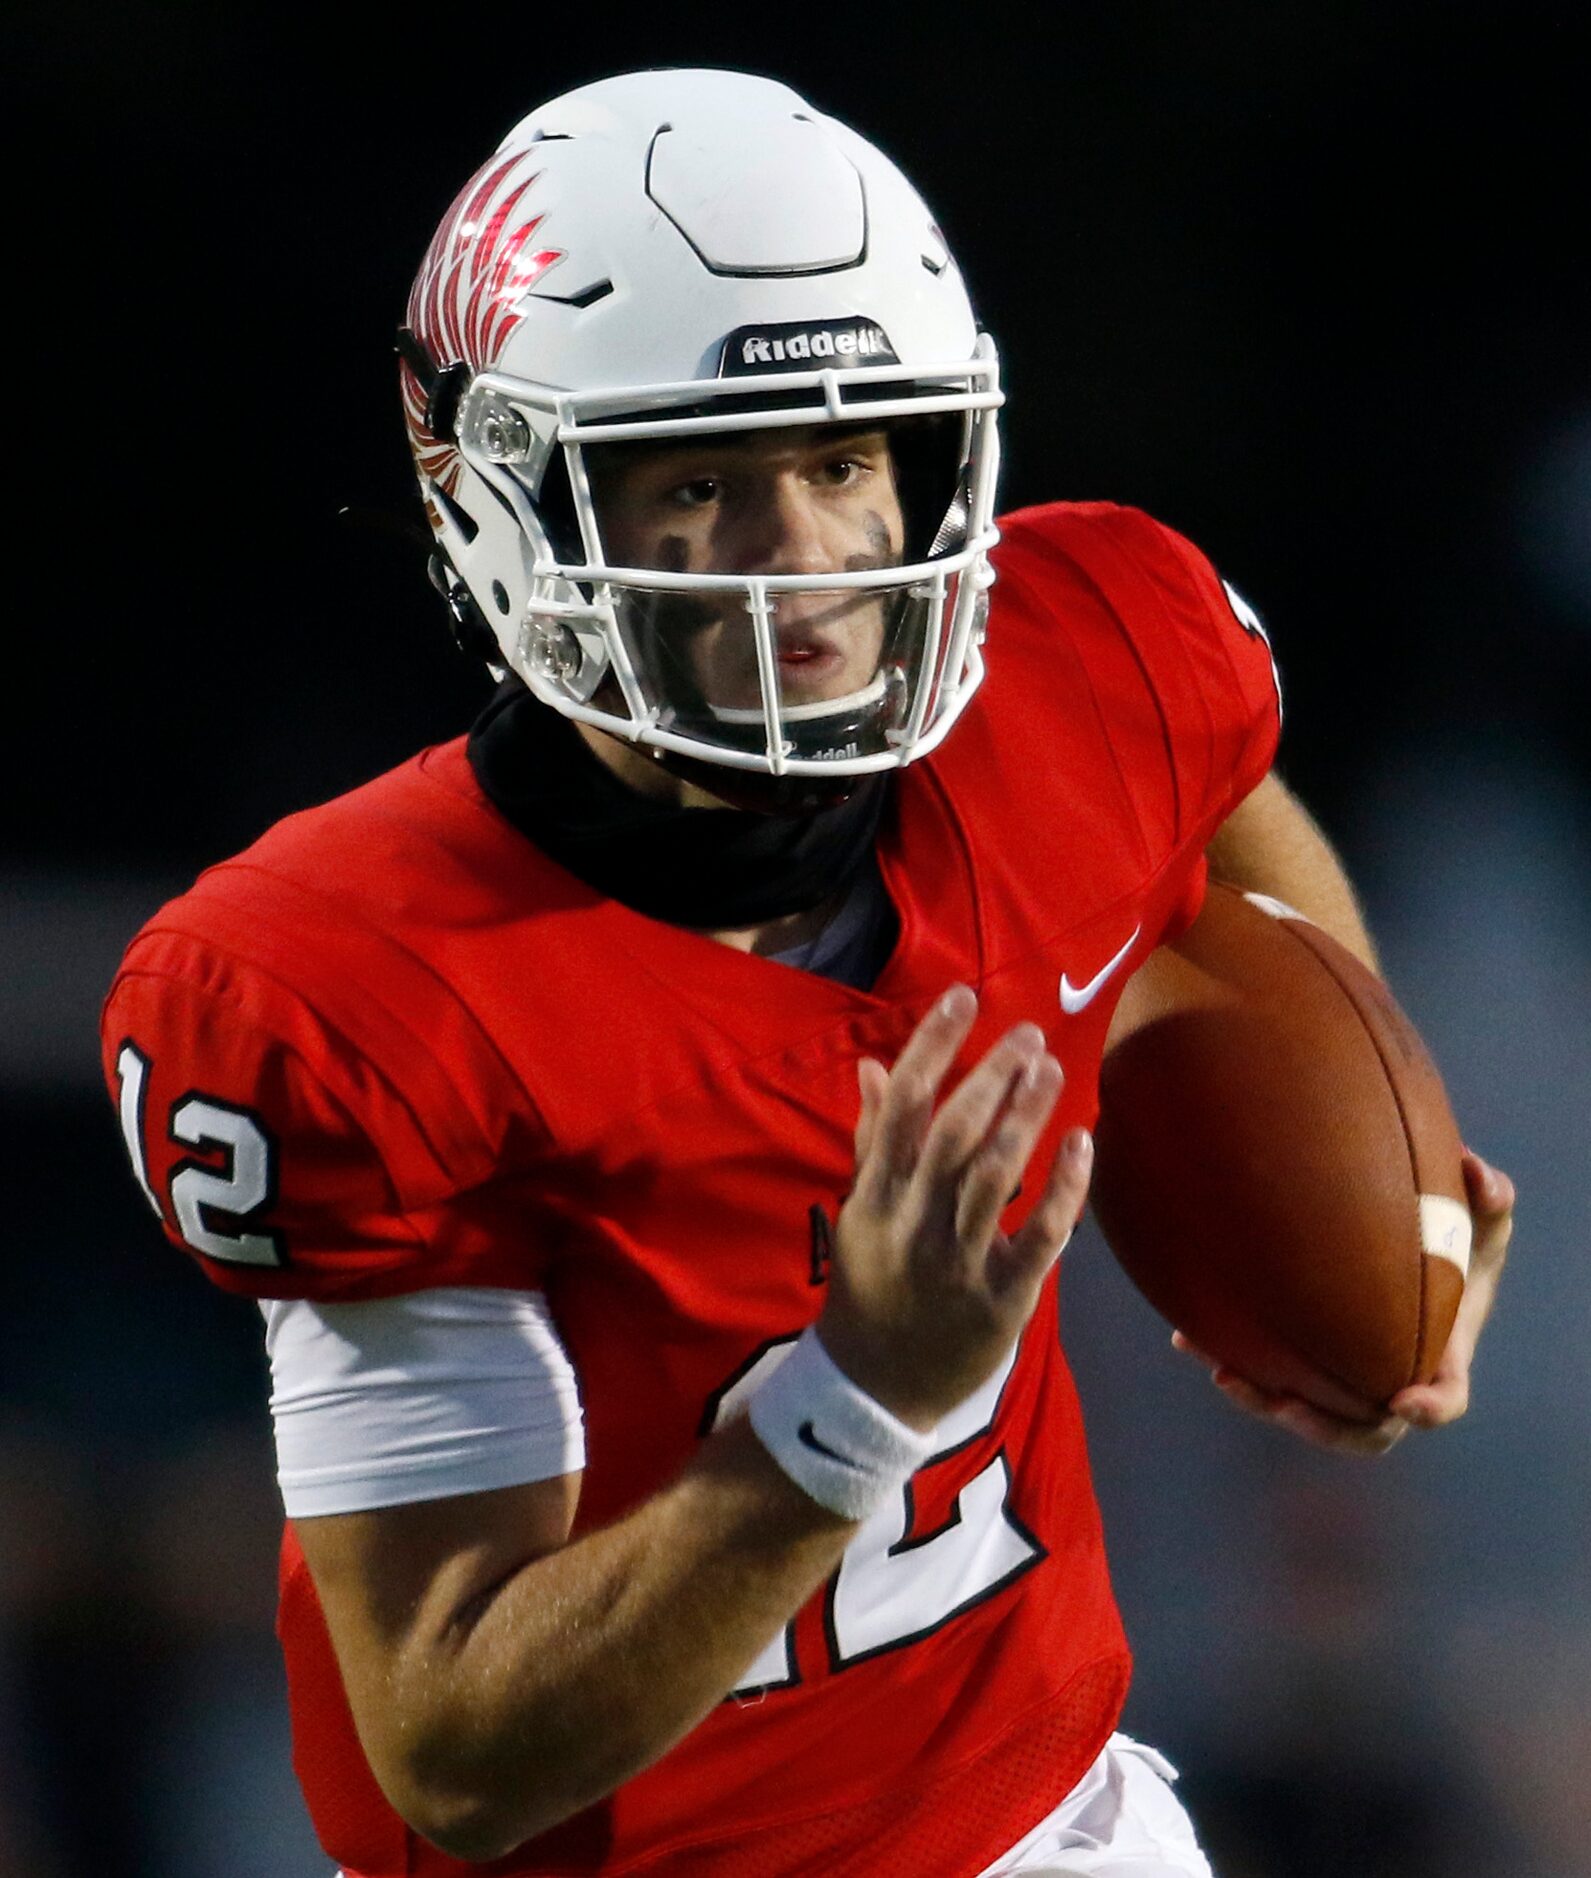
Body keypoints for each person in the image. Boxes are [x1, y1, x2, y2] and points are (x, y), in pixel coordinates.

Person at [101, 68, 1512, 1878]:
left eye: (847, 459)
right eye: (703, 480)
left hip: (1050, 1820)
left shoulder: (1077, 668)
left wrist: (1377, 1171)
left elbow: (1220, 804)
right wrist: (856, 1390)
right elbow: (454, 1746)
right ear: (497, 492)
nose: (812, 564)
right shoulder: (352, 985)